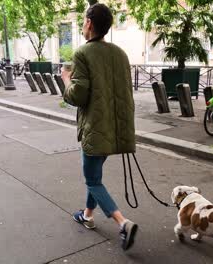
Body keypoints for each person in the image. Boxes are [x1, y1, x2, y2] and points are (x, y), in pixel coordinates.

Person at [61, 3, 138, 251]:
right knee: (95, 176)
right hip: (117, 129)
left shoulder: (83, 53)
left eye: (84, 21)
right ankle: (87, 215)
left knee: (92, 180)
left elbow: (78, 96)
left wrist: (66, 80)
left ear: (90, 23)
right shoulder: (120, 53)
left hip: (96, 128)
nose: (83, 25)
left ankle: (123, 222)